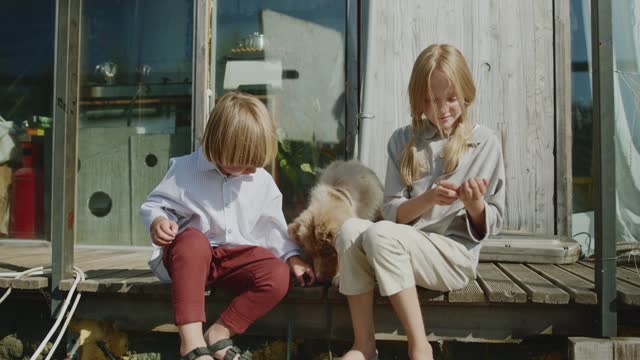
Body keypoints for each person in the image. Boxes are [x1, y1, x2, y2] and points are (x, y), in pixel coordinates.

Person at [336, 44, 506, 360]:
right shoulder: (402, 141)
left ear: (466, 93)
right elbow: (389, 211)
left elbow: (494, 218)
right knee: (349, 231)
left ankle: (420, 346)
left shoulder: (484, 143)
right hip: (402, 249)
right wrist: (427, 199)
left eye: (450, 99)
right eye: (430, 100)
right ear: (417, 99)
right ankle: (364, 345)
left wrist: (474, 206)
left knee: (379, 234)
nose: (441, 109)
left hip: (454, 257)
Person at [140, 92, 315, 360]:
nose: (251, 170)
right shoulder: (185, 170)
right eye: (244, 163)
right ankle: (191, 342)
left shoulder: (260, 180)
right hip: (191, 261)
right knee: (192, 241)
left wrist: (292, 258)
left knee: (277, 274)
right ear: (221, 148)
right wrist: (159, 221)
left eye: (256, 164)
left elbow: (272, 228)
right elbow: (156, 205)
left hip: (235, 261)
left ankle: (219, 334)